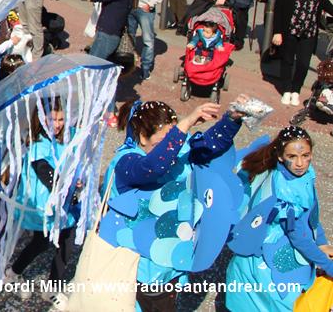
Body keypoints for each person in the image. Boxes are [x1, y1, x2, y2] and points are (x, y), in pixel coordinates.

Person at [105, 98, 247, 312]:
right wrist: (184, 124)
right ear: (142, 137)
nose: (172, 148)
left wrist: (232, 119)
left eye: (174, 140)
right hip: (137, 266)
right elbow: (152, 167)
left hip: (167, 262)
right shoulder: (127, 162)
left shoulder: (178, 150)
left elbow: (210, 145)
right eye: (163, 142)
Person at [225, 127, 333, 312]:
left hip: (288, 245)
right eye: (292, 157)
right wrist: (328, 266)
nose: (300, 163)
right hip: (266, 259)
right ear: (281, 157)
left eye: (305, 155)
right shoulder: (286, 191)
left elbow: (311, 213)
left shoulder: (304, 174)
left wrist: (322, 242)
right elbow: (298, 236)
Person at [7, 98, 78, 303]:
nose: (57, 124)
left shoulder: (65, 138)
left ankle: (52, 287)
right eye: (53, 119)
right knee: (41, 242)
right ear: (41, 118)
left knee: (66, 242)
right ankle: (13, 272)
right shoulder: (38, 145)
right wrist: (69, 189)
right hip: (45, 207)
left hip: (63, 205)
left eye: (62, 119)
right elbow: (46, 174)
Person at [272, 0, 333, 106]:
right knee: (287, 60)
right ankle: (286, 90)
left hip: (309, 32)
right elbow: (278, 11)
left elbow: (325, 3)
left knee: (303, 64)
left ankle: (296, 90)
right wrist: (277, 32)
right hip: (290, 31)